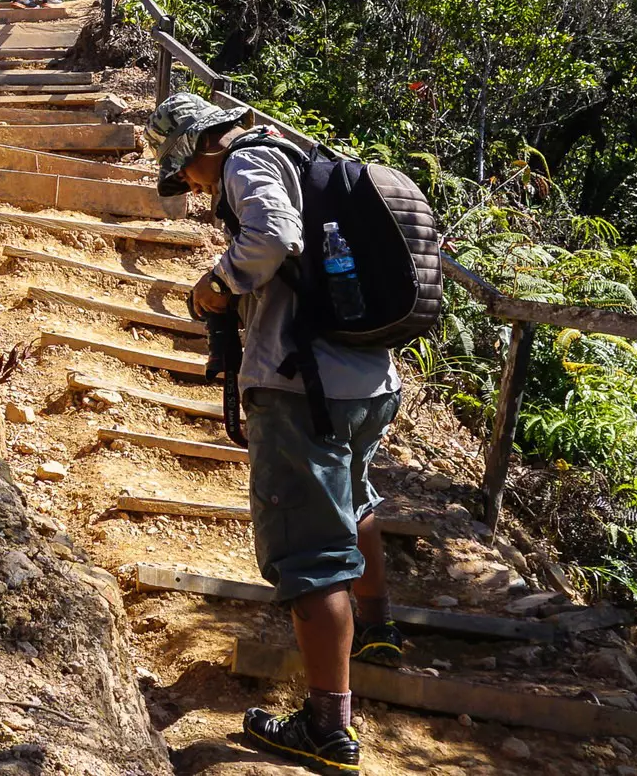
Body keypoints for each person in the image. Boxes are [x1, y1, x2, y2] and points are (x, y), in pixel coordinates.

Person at [149, 92, 403, 776]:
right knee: (356, 500)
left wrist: (217, 285)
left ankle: (327, 727)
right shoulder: (304, 155)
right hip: (370, 375)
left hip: (303, 386)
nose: (195, 190)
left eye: (188, 175)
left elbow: (274, 234)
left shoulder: (245, 163)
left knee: (310, 555)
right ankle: (377, 629)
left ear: (201, 147)